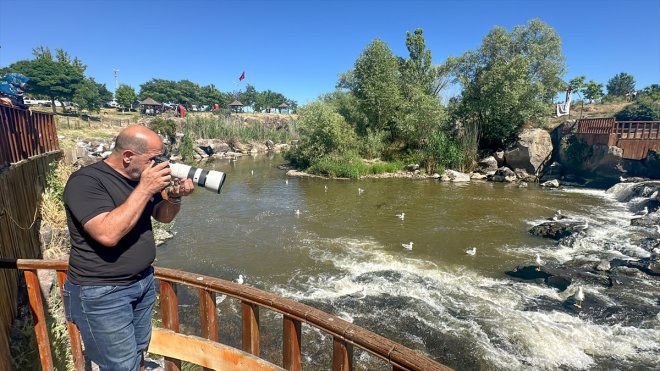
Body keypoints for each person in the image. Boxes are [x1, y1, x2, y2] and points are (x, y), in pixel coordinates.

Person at [62, 125, 194, 370]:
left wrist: (174, 198)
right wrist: (145, 188)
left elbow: (162, 216)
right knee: (119, 365)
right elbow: (107, 234)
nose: (160, 164)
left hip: (141, 283)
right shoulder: (86, 181)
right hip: (102, 293)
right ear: (128, 156)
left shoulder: (138, 177)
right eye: (154, 159)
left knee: (138, 349)